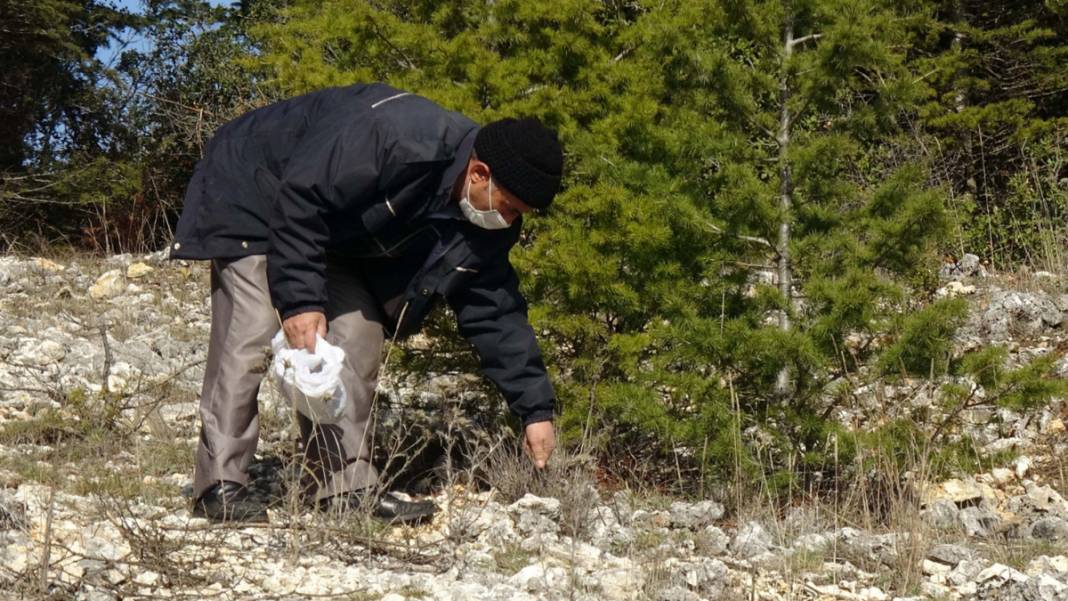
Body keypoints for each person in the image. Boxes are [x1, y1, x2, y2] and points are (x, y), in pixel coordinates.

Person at [169, 83, 562, 523]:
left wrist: (535, 410)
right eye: (509, 207)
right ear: (479, 173)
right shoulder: (399, 137)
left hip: (329, 231)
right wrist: (300, 302)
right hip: (257, 188)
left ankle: (343, 487)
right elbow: (302, 197)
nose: (508, 221)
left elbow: (496, 311)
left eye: (519, 215)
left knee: (358, 332)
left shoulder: (485, 224)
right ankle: (219, 485)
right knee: (252, 328)